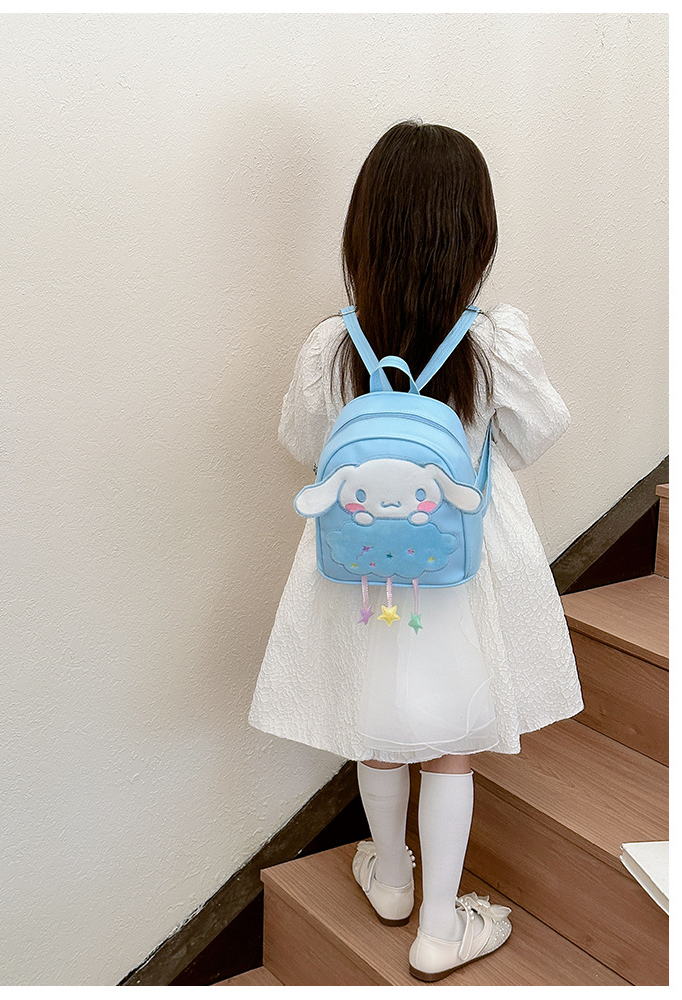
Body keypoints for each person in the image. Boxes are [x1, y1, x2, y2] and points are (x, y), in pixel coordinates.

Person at [248, 121, 583, 982]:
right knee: (449, 739)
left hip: (359, 569)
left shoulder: (333, 344)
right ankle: (439, 926)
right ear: (475, 234)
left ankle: (390, 876)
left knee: (379, 716)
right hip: (462, 565)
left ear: (365, 229)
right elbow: (536, 435)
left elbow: (303, 443)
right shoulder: (492, 341)